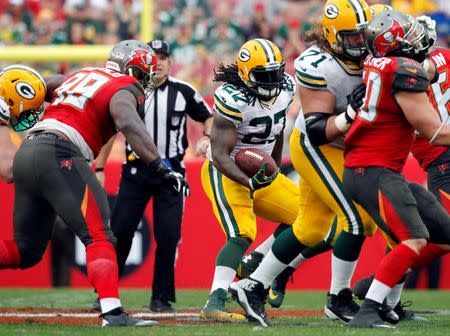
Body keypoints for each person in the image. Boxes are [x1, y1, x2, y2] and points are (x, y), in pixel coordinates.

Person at [0, 39, 188, 327]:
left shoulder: (77, 75)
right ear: (133, 69)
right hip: (59, 154)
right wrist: (159, 165)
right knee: (100, 235)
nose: (145, 82)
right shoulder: (125, 87)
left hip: (28, 153)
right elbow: (127, 120)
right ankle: (112, 313)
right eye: (143, 74)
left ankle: (111, 310)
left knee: (25, 250)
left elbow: (37, 84)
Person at [229, 0, 378, 326]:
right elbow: (317, 129)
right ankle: (338, 297)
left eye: (364, 35)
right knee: (357, 220)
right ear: (333, 35)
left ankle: (252, 285)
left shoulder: (372, 51)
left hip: (343, 146)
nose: (361, 43)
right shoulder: (317, 63)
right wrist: (350, 113)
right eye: (353, 37)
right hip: (316, 144)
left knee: (311, 228)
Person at [343, 10, 450, 328]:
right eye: (407, 35)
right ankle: (373, 305)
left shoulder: (390, 67)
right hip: (377, 168)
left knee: (438, 236)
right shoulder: (403, 71)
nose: (416, 39)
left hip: (383, 168)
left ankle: (380, 288)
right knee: (414, 238)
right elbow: (435, 131)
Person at [94, 39, 213, 313]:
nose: (157, 62)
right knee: (120, 232)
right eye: (153, 56)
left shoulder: (184, 91)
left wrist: (207, 137)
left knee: (168, 237)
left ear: (170, 61)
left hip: (170, 173)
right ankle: (105, 293)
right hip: (135, 171)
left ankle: (161, 298)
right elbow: (111, 131)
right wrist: (99, 167)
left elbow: (207, 117)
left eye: (162, 57)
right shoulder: (129, 91)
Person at [200, 38, 299, 324]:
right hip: (226, 171)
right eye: (263, 76)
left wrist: (275, 169)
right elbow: (220, 153)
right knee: (241, 233)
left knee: (306, 218)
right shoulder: (233, 98)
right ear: (246, 74)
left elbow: (278, 130)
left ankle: (254, 263)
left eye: (275, 73)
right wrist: (249, 181)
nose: (272, 81)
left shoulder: (286, 89)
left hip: (261, 173)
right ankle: (215, 300)